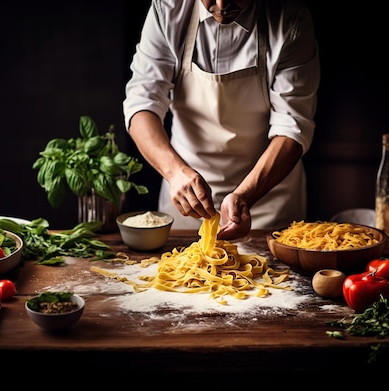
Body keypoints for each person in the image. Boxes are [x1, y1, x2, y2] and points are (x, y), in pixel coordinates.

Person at [123, 0, 319, 239]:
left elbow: (292, 126)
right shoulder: (168, 10)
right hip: (184, 198)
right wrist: (175, 172)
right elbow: (141, 103)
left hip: (269, 200)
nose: (222, 4)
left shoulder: (290, 21)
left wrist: (245, 195)